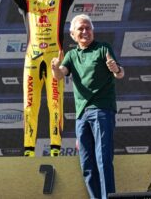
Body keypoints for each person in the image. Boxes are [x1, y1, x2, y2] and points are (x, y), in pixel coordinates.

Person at [5, 0, 81, 157]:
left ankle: (55, 149)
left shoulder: (61, 0)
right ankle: (29, 150)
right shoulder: (27, 1)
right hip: (32, 59)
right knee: (30, 106)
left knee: (55, 105)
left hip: (55, 59)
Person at [51, 14, 124, 198]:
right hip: (81, 115)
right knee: (86, 163)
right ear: (73, 34)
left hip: (101, 110)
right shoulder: (71, 55)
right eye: (80, 29)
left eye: (88, 28)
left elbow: (120, 73)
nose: (85, 32)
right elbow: (60, 75)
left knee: (103, 159)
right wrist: (55, 68)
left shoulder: (102, 48)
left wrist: (115, 68)